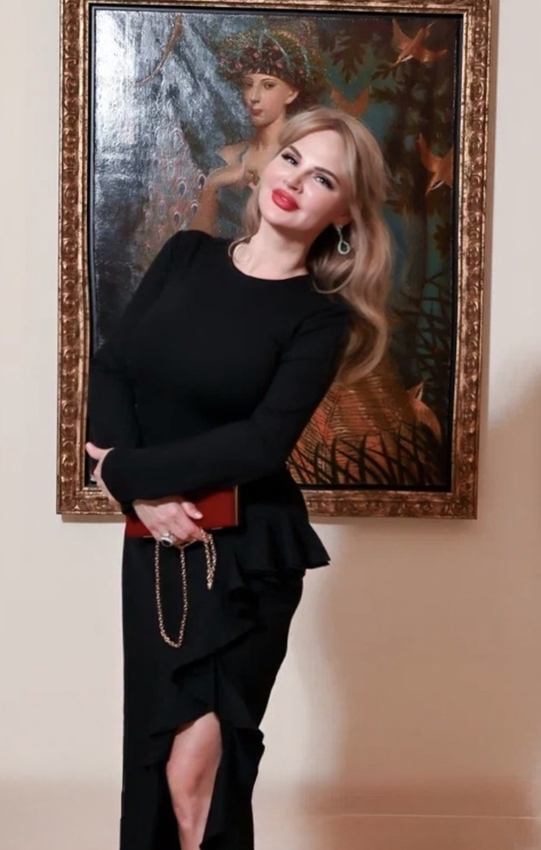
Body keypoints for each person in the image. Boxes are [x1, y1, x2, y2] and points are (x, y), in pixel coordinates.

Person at [86, 105, 391, 850]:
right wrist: (140, 494)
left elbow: (260, 444)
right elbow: (113, 367)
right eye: (292, 159)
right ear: (267, 164)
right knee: (155, 759)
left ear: (343, 215)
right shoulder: (185, 255)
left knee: (197, 776)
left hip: (244, 553)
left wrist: (124, 471)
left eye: (324, 180)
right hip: (157, 542)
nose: (296, 181)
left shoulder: (321, 318)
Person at [189, 21, 328, 236]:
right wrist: (212, 184)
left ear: (292, 93)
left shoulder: (308, 160)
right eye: (248, 84)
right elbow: (195, 244)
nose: (253, 97)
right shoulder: (225, 158)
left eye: (268, 85)